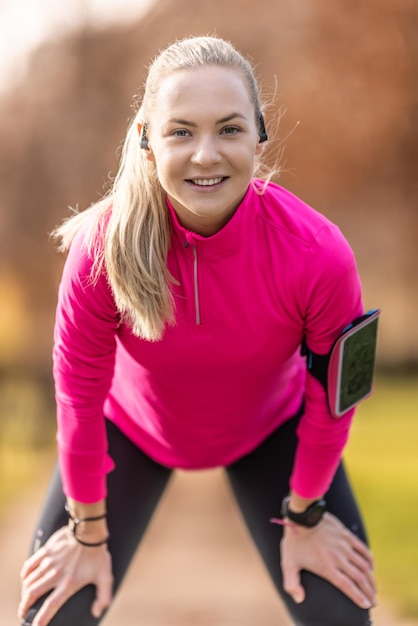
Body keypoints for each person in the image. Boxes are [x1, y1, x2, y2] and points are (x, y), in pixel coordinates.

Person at [18, 35, 377, 626]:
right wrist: (85, 533)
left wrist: (307, 514)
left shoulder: (317, 254)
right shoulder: (100, 252)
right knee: (54, 612)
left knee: (342, 615)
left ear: (259, 134)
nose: (206, 155)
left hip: (272, 430)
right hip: (129, 429)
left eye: (229, 129)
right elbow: (78, 397)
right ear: (147, 138)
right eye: (181, 131)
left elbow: (333, 400)